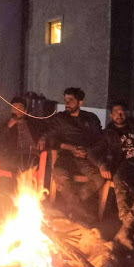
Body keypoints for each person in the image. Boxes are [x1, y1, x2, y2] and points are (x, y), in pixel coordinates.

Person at [92, 101, 134, 250]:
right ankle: (128, 230)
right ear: (111, 115)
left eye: (122, 111)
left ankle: (125, 230)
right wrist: (101, 164)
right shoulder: (108, 133)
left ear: (127, 114)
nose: (120, 114)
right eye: (116, 112)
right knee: (119, 181)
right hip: (124, 166)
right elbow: (93, 152)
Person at [47, 87, 104, 223]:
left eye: (71, 100)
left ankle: (73, 204)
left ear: (80, 102)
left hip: (86, 158)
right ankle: (81, 210)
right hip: (66, 157)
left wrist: (88, 150)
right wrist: (72, 148)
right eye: (65, 100)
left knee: (99, 178)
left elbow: (100, 140)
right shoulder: (59, 119)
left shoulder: (91, 118)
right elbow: (52, 140)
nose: (67, 103)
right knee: (59, 174)